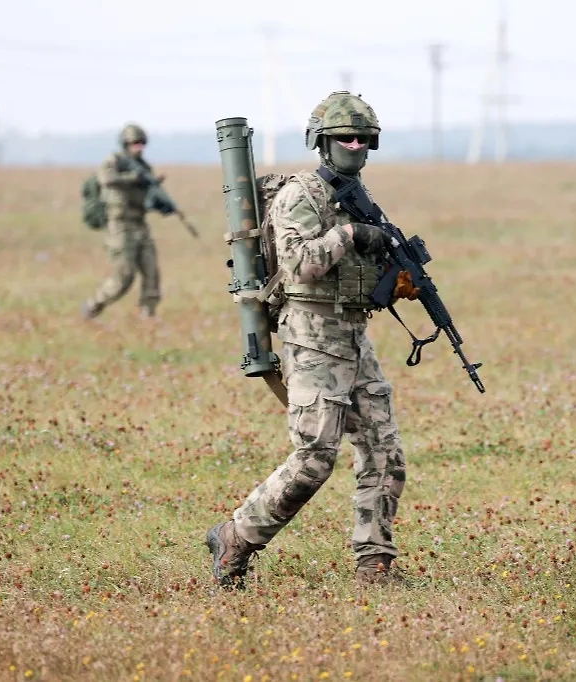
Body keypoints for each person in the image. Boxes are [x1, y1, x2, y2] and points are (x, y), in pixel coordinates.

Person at [205, 91, 419, 588]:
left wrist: (394, 272)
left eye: (365, 137)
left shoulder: (357, 194)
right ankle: (235, 538)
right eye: (346, 135)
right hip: (312, 335)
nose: (356, 143)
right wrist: (350, 237)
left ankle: (375, 564)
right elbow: (301, 262)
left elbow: (361, 262)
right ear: (322, 142)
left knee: (384, 452)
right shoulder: (300, 195)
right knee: (315, 457)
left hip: (353, 333)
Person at [81, 123, 166, 320]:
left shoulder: (144, 168)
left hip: (140, 223)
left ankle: (148, 315)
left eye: (141, 144)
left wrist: (159, 201)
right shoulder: (114, 162)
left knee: (151, 272)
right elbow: (106, 179)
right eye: (134, 143)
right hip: (120, 226)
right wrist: (132, 178)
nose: (138, 147)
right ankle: (93, 305)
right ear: (125, 144)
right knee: (124, 276)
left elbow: (147, 198)